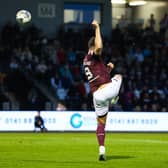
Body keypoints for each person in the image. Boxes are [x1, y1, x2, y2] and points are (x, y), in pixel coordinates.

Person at [83, 20, 122, 161]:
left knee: (101, 124)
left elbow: (99, 76)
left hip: (97, 96)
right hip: (107, 91)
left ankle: (101, 150)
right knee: (119, 76)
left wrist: (108, 69)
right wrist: (98, 27)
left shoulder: (86, 60)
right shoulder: (94, 54)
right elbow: (99, 46)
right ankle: (114, 98)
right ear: (92, 47)